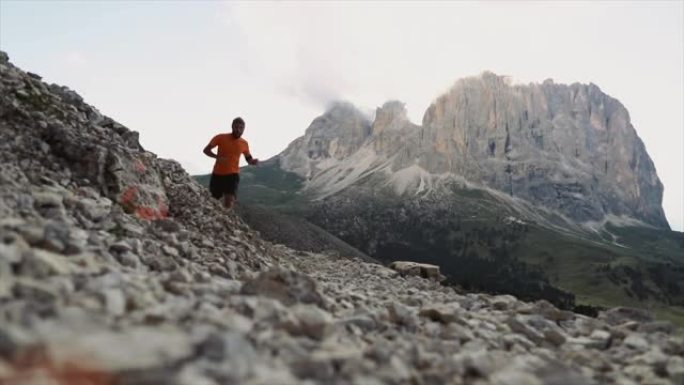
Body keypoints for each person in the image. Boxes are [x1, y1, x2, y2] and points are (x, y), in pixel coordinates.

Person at [203, 117, 258, 209]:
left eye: (241, 128)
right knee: (213, 200)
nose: (238, 130)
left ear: (244, 129)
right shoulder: (220, 137)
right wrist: (217, 157)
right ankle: (214, 217)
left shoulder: (244, 143)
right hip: (217, 174)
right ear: (232, 127)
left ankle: (225, 219)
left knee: (229, 200)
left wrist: (253, 161)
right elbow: (206, 150)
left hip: (232, 175)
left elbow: (248, 158)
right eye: (236, 127)